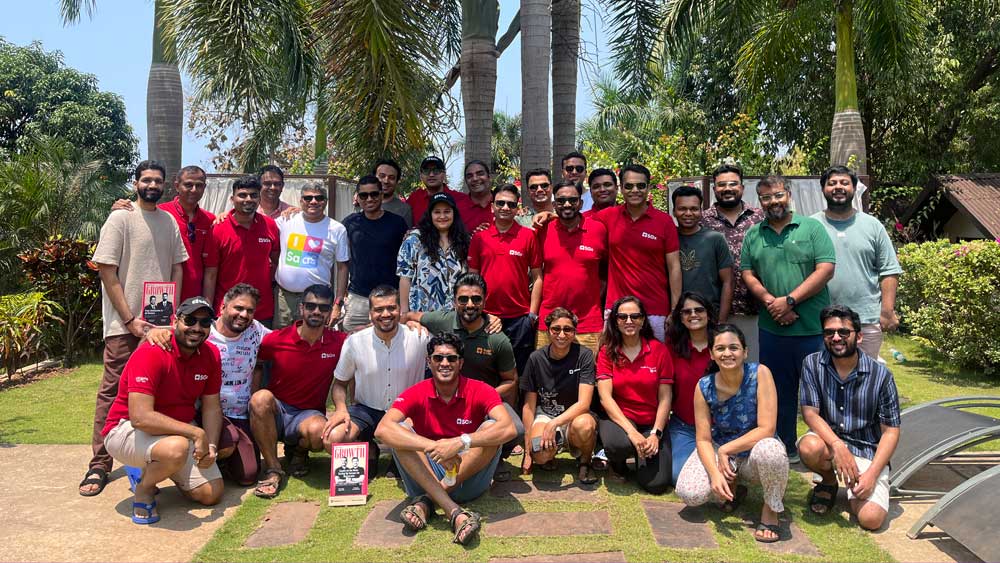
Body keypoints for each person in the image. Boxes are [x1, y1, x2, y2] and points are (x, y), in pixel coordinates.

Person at [80, 160, 188, 497]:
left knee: (155, 393)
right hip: (124, 326)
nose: (152, 185)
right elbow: (106, 271)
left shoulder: (168, 221)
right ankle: (99, 463)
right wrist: (129, 320)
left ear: (165, 185)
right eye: (146, 180)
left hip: (161, 327)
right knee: (113, 392)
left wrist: (171, 316)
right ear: (136, 182)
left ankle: (148, 460)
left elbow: (177, 267)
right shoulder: (120, 218)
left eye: (158, 180)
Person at [374, 332, 517, 546]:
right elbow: (382, 430)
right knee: (399, 431)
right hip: (426, 473)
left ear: (461, 363)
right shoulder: (416, 392)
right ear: (428, 361)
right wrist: (436, 447)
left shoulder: (481, 389)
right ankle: (454, 512)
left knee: (491, 429)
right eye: (438, 358)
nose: (444, 363)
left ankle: (427, 501)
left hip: (466, 478)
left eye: (451, 358)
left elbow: (508, 428)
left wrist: (460, 442)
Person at [101, 296, 224, 524]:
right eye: (190, 320)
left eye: (205, 322)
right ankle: (144, 487)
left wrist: (212, 446)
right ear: (175, 320)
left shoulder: (211, 354)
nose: (197, 328)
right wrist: (197, 433)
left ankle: (155, 467)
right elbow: (140, 418)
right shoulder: (151, 352)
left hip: (175, 433)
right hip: (126, 430)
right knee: (176, 448)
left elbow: (212, 407)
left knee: (211, 493)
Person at [740, 174, 835, 462]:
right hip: (773, 329)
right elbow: (747, 273)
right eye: (766, 197)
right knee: (778, 392)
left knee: (821, 392)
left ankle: (824, 451)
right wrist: (773, 303)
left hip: (812, 328)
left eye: (778, 195)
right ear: (760, 201)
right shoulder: (754, 234)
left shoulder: (812, 228)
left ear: (789, 195)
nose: (773, 202)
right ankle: (788, 448)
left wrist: (790, 301)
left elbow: (825, 269)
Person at [674, 324, 788, 543]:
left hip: (755, 451)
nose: (727, 353)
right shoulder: (704, 386)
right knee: (691, 494)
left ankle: (771, 509)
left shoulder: (760, 374)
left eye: (734, 347)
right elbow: (703, 439)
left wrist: (726, 450)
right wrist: (715, 473)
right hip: (723, 450)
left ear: (745, 352)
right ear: (711, 354)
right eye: (720, 348)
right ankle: (732, 486)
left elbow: (767, 429)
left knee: (772, 451)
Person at [408, 273, 523, 473]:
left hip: (484, 402)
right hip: (446, 398)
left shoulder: (497, 338)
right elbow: (408, 315)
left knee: (516, 429)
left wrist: (484, 398)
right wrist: (412, 323)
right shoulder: (443, 321)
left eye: (476, 299)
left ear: (485, 301)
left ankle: (492, 458)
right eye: (463, 299)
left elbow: (511, 380)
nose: (470, 304)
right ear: (454, 301)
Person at [798, 305, 901, 530]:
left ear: (859, 336)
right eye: (829, 332)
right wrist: (838, 446)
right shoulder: (812, 364)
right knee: (809, 447)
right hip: (829, 443)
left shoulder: (881, 376)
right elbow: (810, 413)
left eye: (844, 332)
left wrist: (872, 474)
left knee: (871, 519)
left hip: (866, 449)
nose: (836, 337)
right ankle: (828, 482)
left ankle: (861, 484)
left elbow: (891, 431)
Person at [249, 284, 347, 498]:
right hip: (278, 409)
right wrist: (251, 401)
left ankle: (298, 450)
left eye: (323, 308)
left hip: (308, 414)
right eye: (311, 306)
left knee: (319, 433)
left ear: (330, 312)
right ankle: (273, 469)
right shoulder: (275, 339)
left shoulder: (339, 342)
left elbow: (365, 334)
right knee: (259, 399)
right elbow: (258, 366)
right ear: (301, 308)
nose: (316, 311)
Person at [324, 285, 428, 457]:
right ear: (370, 313)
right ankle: (368, 447)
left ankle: (398, 460)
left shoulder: (419, 337)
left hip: (407, 412)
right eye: (379, 309)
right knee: (333, 438)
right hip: (367, 410)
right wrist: (341, 409)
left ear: (400, 310)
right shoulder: (355, 342)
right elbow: (339, 384)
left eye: (391, 308)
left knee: (412, 435)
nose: (385, 314)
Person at [812, 166, 902, 360]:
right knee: (824, 373)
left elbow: (889, 270)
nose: (838, 187)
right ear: (823, 189)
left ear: (854, 188)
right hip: (821, 319)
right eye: (832, 183)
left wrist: (887, 311)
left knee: (865, 374)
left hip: (865, 320)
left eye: (844, 183)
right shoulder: (811, 226)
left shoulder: (872, 225)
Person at [591, 164, 681, 341]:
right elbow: (576, 220)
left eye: (640, 186)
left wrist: (675, 309)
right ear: (621, 188)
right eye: (629, 186)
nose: (635, 190)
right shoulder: (608, 216)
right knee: (614, 356)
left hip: (655, 310)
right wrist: (549, 215)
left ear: (648, 187)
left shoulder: (664, 221)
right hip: (617, 309)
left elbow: (674, 267)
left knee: (656, 356)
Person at [595, 296, 674, 494]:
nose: (628, 321)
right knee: (618, 445)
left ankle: (641, 458)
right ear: (615, 321)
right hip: (620, 418)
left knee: (656, 484)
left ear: (643, 320)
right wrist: (631, 432)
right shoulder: (607, 351)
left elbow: (665, 398)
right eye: (622, 317)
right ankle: (618, 463)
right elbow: (605, 398)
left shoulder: (659, 350)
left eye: (635, 316)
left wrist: (656, 434)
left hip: (650, 421)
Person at [110, 165, 220, 303]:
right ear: (177, 186)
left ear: (204, 187)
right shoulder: (161, 215)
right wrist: (119, 208)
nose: (193, 190)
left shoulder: (210, 220)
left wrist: (206, 305)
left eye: (199, 185)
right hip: (161, 298)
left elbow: (211, 269)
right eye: (188, 185)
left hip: (195, 301)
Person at [468, 184, 542, 375]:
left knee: (520, 372)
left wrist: (532, 314)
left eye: (511, 204)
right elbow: (472, 279)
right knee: (487, 372)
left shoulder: (528, 236)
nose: (506, 208)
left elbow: (537, 277)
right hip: (486, 316)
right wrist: (477, 313)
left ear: (517, 208)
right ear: (492, 206)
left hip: (520, 318)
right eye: (500, 203)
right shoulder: (480, 238)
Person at [520, 308, 599, 484]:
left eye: (567, 329)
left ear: (574, 332)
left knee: (585, 426)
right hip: (545, 415)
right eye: (556, 329)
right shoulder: (535, 358)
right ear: (548, 331)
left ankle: (585, 462)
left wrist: (554, 423)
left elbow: (584, 403)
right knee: (540, 455)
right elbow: (529, 406)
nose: (561, 334)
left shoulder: (584, 356)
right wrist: (527, 452)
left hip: (575, 416)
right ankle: (549, 456)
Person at [700, 164, 765, 361]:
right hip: (713, 311)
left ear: (742, 187)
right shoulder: (702, 220)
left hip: (753, 309)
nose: (727, 188)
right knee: (717, 365)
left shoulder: (760, 218)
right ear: (714, 189)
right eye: (722, 185)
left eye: (733, 184)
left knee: (752, 364)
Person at [535, 181, 608, 354]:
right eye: (561, 201)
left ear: (581, 203)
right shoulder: (543, 230)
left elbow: (605, 272)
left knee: (588, 371)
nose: (567, 204)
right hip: (549, 322)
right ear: (554, 205)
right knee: (545, 371)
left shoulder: (598, 230)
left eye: (572, 200)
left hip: (588, 323)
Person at [274, 184, 350, 328]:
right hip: (284, 299)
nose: (313, 201)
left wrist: (337, 304)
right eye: (308, 198)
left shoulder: (337, 229)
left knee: (314, 339)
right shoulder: (286, 220)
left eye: (319, 198)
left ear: (325, 201)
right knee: (282, 339)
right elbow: (260, 224)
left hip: (317, 301)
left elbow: (342, 267)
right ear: (301, 201)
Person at [341, 176, 409, 332]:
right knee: (352, 341)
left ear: (381, 194)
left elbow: (406, 263)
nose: (369, 199)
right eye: (364, 195)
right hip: (358, 298)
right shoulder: (349, 223)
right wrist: (341, 296)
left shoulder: (397, 223)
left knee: (389, 340)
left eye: (374, 194)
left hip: (389, 298)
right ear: (358, 197)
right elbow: (342, 262)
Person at [211, 174, 280, 326]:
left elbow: (278, 261)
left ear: (259, 199)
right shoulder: (218, 228)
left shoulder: (270, 225)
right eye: (242, 195)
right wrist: (208, 308)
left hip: (261, 311)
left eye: (253, 195)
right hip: (228, 310)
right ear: (232, 199)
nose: (248, 199)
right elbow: (211, 273)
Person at [664, 292, 719, 483]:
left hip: (720, 427)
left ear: (708, 314)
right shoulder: (672, 346)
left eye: (699, 310)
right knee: (677, 476)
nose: (693, 315)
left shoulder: (722, 344)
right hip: (684, 426)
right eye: (687, 311)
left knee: (721, 468)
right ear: (680, 317)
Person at [396, 192, 470, 315]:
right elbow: (405, 278)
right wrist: (404, 312)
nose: (442, 216)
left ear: (454, 213)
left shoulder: (464, 241)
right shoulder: (414, 240)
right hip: (421, 316)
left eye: (447, 211)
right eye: (437, 212)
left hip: (455, 316)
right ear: (430, 214)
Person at [672, 186, 734, 321]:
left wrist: (721, 321)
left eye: (694, 209)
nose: (688, 213)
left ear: (701, 211)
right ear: (674, 211)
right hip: (676, 316)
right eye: (682, 209)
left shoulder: (715, 239)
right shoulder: (668, 238)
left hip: (709, 315)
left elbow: (728, 282)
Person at [405, 156, 474, 229]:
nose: (431, 174)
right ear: (421, 175)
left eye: (436, 171)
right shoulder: (414, 199)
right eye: (426, 171)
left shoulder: (461, 199)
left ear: (444, 174)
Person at [373, 158, 414, 228]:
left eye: (391, 178)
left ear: (397, 182)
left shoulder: (404, 209)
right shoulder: (364, 203)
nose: (386, 181)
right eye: (382, 176)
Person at [462, 160, 496, 233]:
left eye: (480, 174)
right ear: (466, 181)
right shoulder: (458, 209)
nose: (475, 179)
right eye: (469, 176)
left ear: (489, 177)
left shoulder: (504, 203)